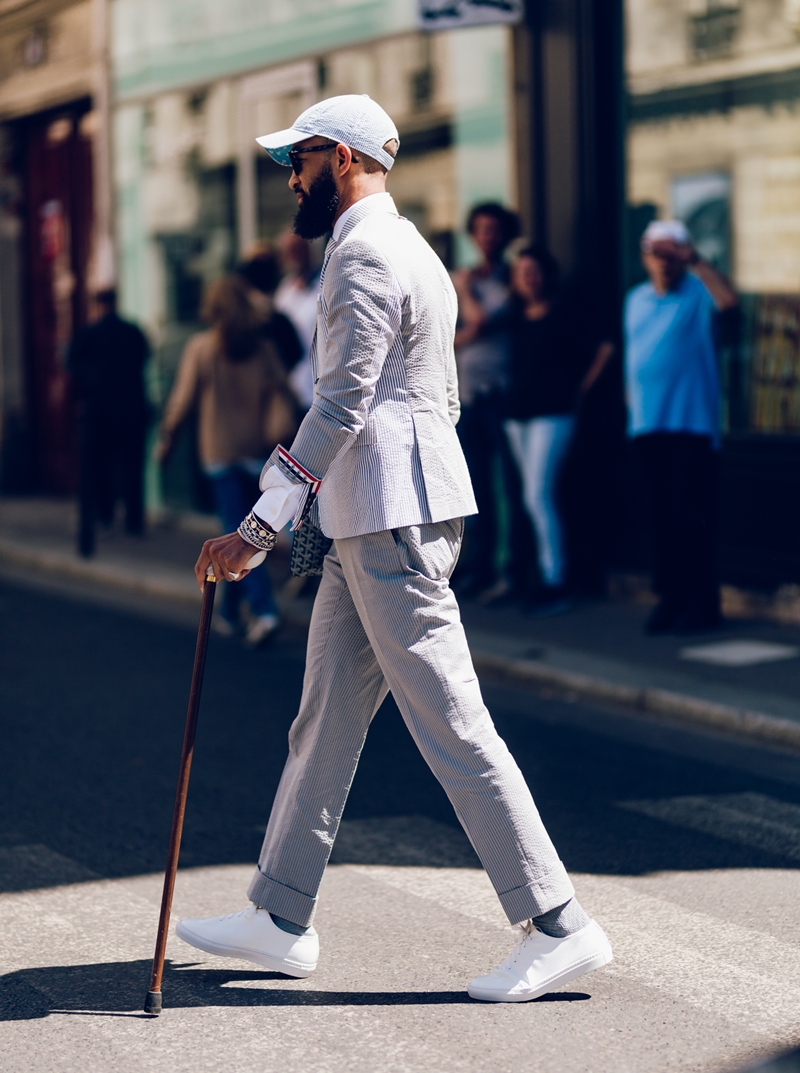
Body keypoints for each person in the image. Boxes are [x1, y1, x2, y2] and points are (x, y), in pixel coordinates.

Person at [175, 94, 612, 1003]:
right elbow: (435, 400)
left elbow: (342, 403)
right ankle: (280, 914)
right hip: (375, 515)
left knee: (452, 720)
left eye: (295, 161)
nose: (288, 178)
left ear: (339, 157)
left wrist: (258, 529)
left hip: (388, 520)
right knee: (326, 713)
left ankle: (559, 922)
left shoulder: (365, 254)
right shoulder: (409, 249)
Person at [155, 275, 296, 646]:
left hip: (219, 452)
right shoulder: (263, 347)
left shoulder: (202, 347)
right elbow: (285, 390)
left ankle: (264, 610)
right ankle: (231, 611)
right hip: (258, 452)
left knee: (241, 535)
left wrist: (168, 436)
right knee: (244, 531)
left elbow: (182, 400)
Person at [625, 219, 738, 634]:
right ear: (644, 257)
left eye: (671, 253)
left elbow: (729, 303)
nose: (662, 261)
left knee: (694, 517)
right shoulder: (634, 298)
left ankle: (703, 603)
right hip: (648, 424)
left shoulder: (698, 293)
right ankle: (671, 598)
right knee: (661, 517)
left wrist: (694, 261)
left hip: (692, 423)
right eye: (655, 252)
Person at [504, 246, 614, 614]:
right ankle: (538, 576)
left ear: (546, 274)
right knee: (529, 498)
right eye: (521, 272)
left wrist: (582, 389)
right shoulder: (516, 316)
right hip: (518, 415)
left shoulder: (566, 311)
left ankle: (557, 580)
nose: (528, 278)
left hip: (554, 413)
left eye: (533, 271)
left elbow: (606, 346)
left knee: (538, 495)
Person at [452, 202, 530, 602]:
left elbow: (478, 321)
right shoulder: (457, 277)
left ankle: (511, 570)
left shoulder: (512, 280)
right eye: (480, 229)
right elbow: (445, 337)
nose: (487, 237)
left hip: (501, 393)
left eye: (495, 230)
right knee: (474, 489)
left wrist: (465, 292)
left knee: (510, 489)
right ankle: (478, 567)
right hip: (465, 395)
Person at [67, 288, 149, 558]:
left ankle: (105, 515)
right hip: (131, 409)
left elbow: (72, 364)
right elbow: (144, 358)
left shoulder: (89, 334)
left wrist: (91, 384)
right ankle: (134, 519)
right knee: (132, 467)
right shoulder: (132, 332)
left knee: (100, 467)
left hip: (101, 412)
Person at [274, 230, 321, 413]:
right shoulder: (284, 292)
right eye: (288, 252)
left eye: (297, 250)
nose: (292, 257)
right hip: (293, 392)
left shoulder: (325, 286)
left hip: (320, 392)